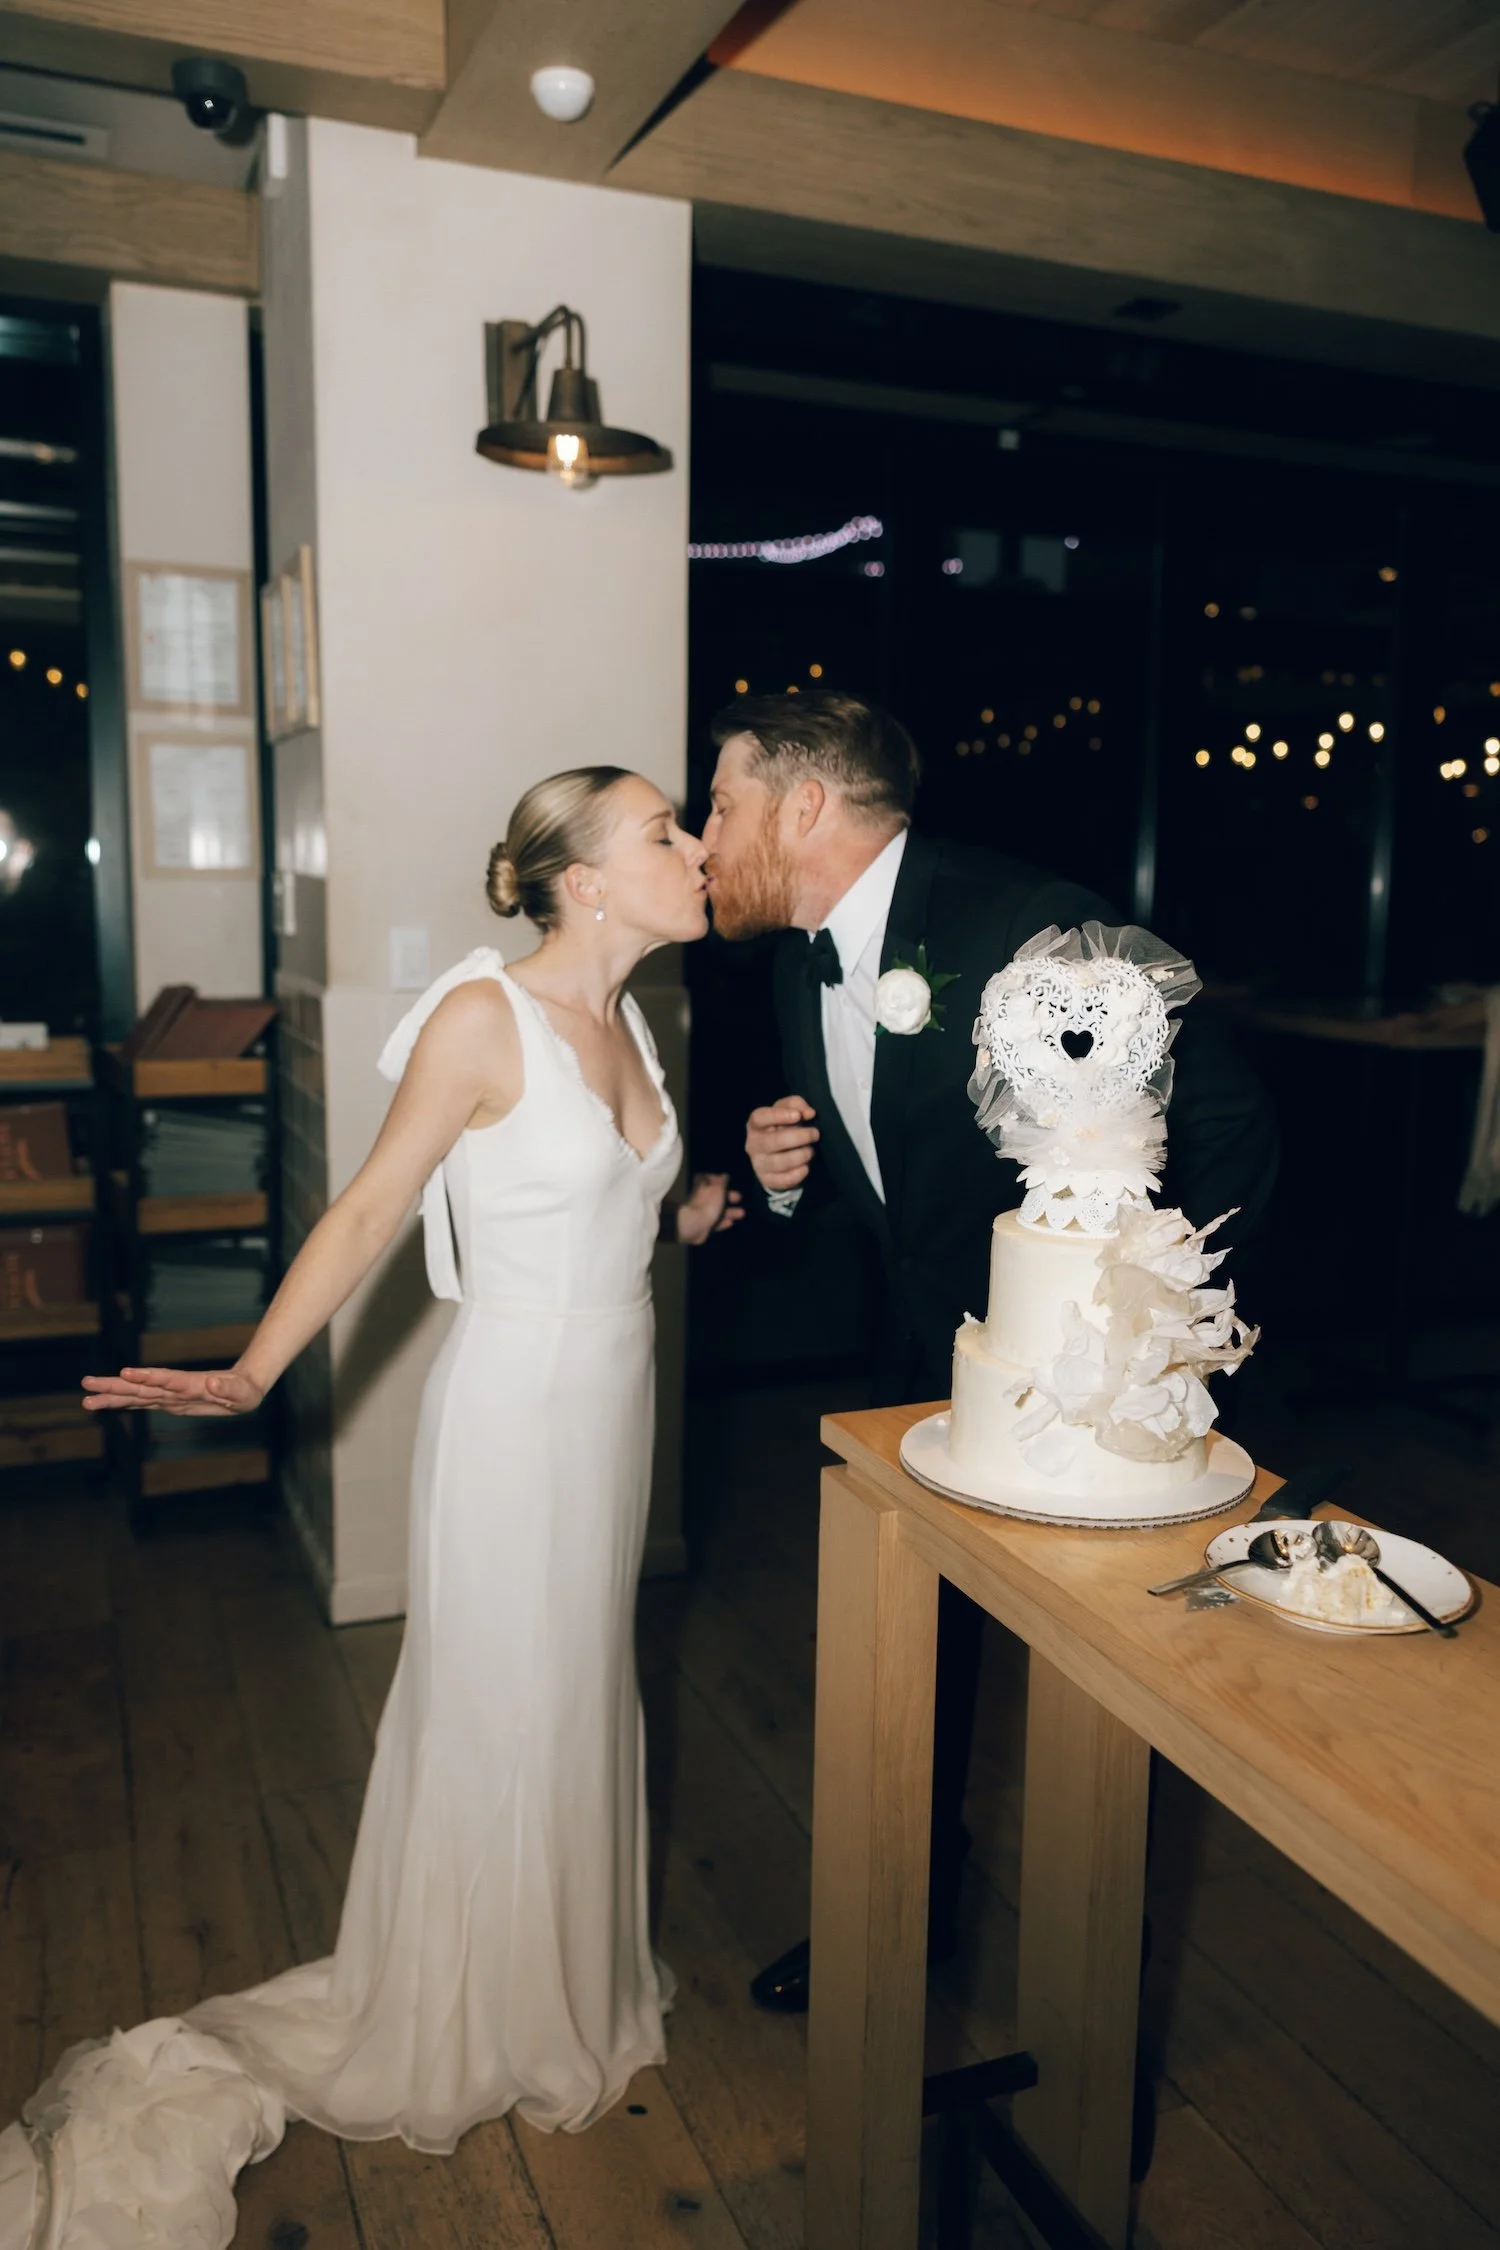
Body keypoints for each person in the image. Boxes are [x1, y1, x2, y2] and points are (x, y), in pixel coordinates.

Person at [0, 767, 740, 2250]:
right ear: (583, 879)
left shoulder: (642, 1019)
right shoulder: (486, 1017)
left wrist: (707, 1202)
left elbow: (612, 1207)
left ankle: (560, 1981)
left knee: (582, 1688)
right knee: (501, 1702)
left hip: (613, 1408)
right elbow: (365, 1209)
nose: (700, 846)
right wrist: (252, 1372)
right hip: (515, 1421)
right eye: (667, 829)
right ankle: (469, 2001)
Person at [701, 692, 1278, 2067]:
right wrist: (791, 1189)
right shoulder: (798, 967)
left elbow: (1228, 1121)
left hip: (1083, 1388)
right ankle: (902, 1921)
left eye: (720, 804)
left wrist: (1148, 1336)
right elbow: (902, 1188)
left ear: (801, 807)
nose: (704, 834)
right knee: (909, 1660)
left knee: (1097, 1695)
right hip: (925, 1366)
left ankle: (1098, 2021)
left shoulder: (1023, 921)